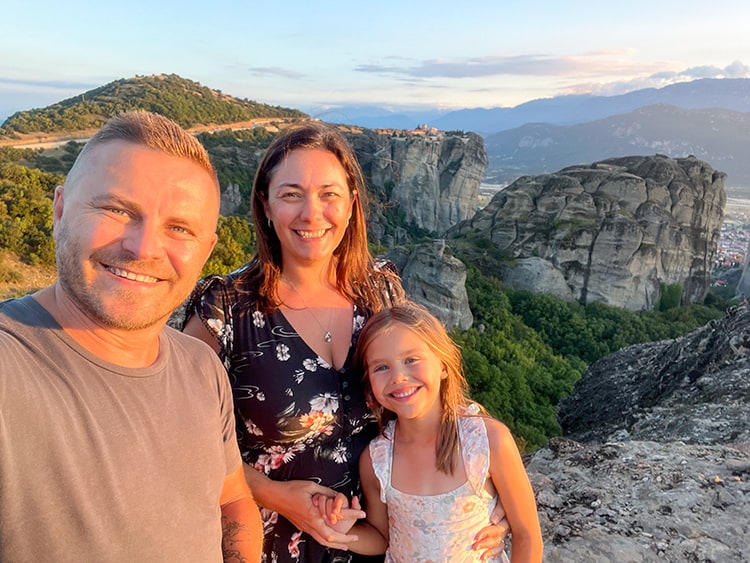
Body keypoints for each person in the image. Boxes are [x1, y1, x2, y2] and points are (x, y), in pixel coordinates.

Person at [182, 121, 508, 562]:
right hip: (266, 544)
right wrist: (275, 495)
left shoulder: (381, 292)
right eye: (292, 194)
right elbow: (183, 440)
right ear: (265, 203)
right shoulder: (225, 310)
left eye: (329, 195)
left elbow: (428, 392)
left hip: (386, 540)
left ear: (352, 204)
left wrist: (492, 490)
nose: (312, 214)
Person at [0, 111, 263, 562]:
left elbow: (231, 499)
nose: (143, 248)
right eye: (117, 210)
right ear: (59, 209)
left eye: (179, 228)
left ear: (206, 250)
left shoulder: (202, 368)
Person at [317, 302, 544, 562]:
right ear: (369, 383)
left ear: (444, 365)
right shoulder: (377, 459)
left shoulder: (486, 441)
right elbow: (381, 537)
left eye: (411, 360)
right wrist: (344, 531)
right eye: (381, 367)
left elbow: (527, 534)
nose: (398, 377)